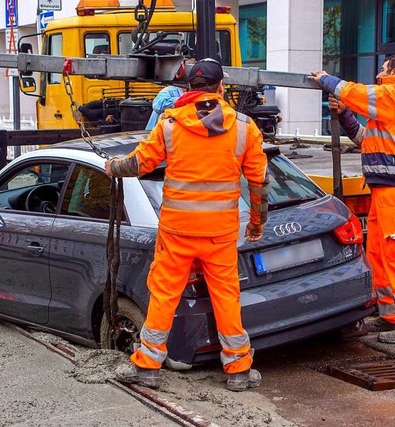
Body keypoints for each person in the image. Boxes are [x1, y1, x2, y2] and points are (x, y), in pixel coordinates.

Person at [105, 58, 269, 391]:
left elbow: (139, 162)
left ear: (189, 88)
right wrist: (255, 223)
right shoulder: (244, 127)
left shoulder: (169, 124)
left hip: (178, 230)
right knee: (226, 296)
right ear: (221, 87)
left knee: (164, 294)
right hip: (220, 232)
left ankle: (148, 365)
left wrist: (112, 166)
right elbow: (259, 183)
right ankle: (237, 369)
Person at [309, 54, 395, 344]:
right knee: (378, 251)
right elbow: (365, 139)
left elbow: (354, 91)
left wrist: (326, 80)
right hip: (387, 189)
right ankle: (390, 314)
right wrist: (346, 114)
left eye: (383, 68)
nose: (378, 73)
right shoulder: (392, 106)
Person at [145, 58, 196, 130]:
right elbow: (158, 105)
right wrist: (185, 100)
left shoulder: (196, 94)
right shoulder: (170, 91)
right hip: (155, 134)